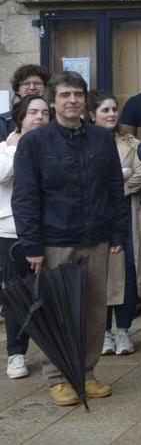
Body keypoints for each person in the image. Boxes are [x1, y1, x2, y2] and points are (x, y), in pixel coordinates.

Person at [13, 72, 130, 406]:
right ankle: (58, 377)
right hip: (54, 240)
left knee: (94, 311)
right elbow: (26, 197)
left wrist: (118, 232)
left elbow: (113, 189)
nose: (72, 100)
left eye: (78, 94)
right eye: (65, 95)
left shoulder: (100, 139)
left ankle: (86, 372)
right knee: (58, 311)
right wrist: (32, 245)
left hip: (96, 237)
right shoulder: (34, 143)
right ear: (53, 100)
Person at [91, 92, 141, 358]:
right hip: (95, 216)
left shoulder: (130, 142)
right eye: (105, 110)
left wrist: (113, 187)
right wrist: (114, 183)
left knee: (128, 271)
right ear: (92, 115)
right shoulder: (85, 143)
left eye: (114, 109)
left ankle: (123, 329)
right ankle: (103, 332)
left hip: (127, 213)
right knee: (99, 274)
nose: (112, 114)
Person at [1, 95, 49, 379]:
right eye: (33, 112)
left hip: (50, 230)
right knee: (16, 294)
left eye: (44, 112)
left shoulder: (52, 146)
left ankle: (51, 348)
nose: (40, 117)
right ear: (20, 118)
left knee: (47, 293)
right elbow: (3, 175)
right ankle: (16, 353)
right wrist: (12, 148)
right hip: (11, 231)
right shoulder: (6, 148)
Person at [0, 63, 49, 135]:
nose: (32, 87)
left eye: (37, 83)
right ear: (18, 89)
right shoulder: (3, 122)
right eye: (26, 84)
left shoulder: (56, 119)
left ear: (45, 88)